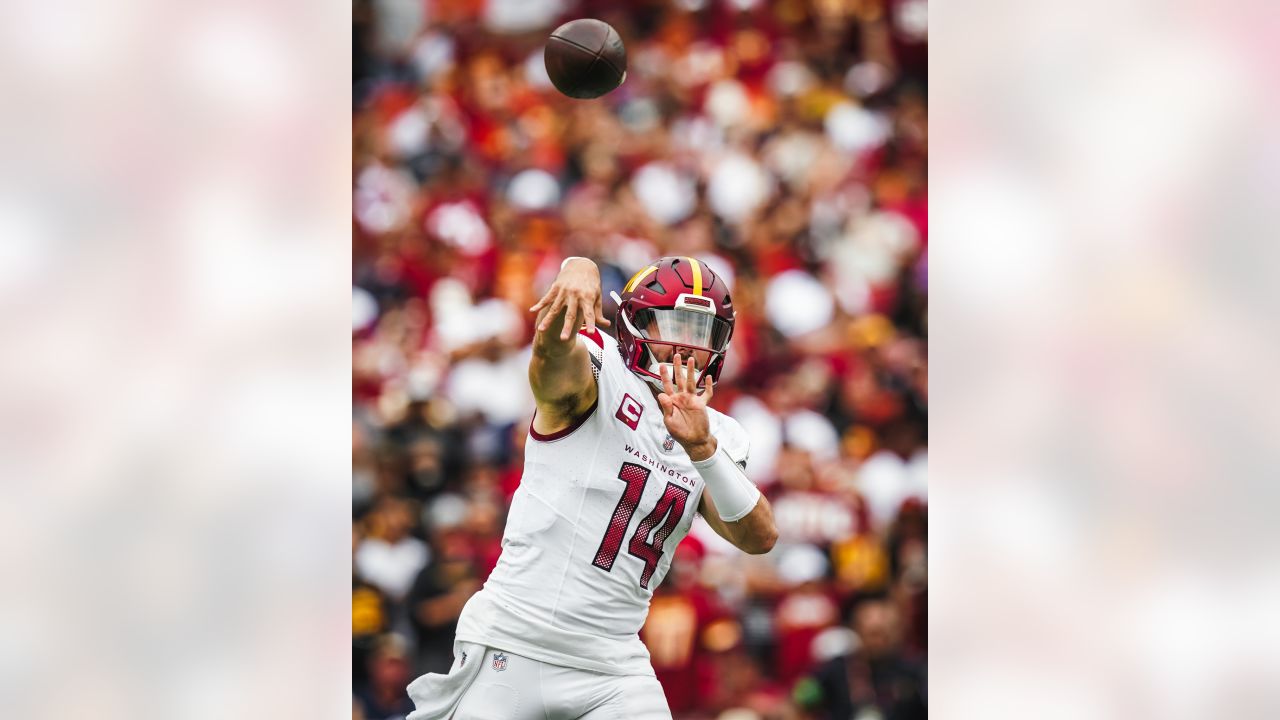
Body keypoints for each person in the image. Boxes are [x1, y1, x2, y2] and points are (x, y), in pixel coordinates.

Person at [407, 256, 779, 719]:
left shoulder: (717, 432)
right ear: (635, 321)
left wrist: (703, 448)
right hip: (515, 636)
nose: (686, 348)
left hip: (612, 662)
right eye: (674, 325)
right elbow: (551, 364)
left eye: (701, 333)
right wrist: (577, 269)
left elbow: (758, 536)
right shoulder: (601, 370)